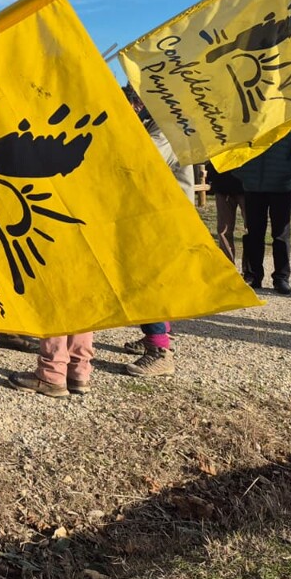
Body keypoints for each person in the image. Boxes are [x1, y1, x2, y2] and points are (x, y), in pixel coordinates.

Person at [124, 86, 194, 377]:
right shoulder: (159, 122)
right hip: (158, 212)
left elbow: (144, 157)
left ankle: (160, 351)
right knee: (152, 278)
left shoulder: (167, 126)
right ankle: (155, 336)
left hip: (165, 215)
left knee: (150, 280)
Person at [232, 123, 291, 295]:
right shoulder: (252, 114)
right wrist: (243, 172)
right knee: (254, 233)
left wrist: (287, 172)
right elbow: (234, 143)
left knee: (281, 233)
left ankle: (281, 277)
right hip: (253, 185)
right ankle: (253, 275)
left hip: (281, 186)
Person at [205, 161, 245, 264]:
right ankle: (228, 265)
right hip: (222, 184)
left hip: (246, 185)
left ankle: (250, 269)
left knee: (252, 229)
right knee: (224, 229)